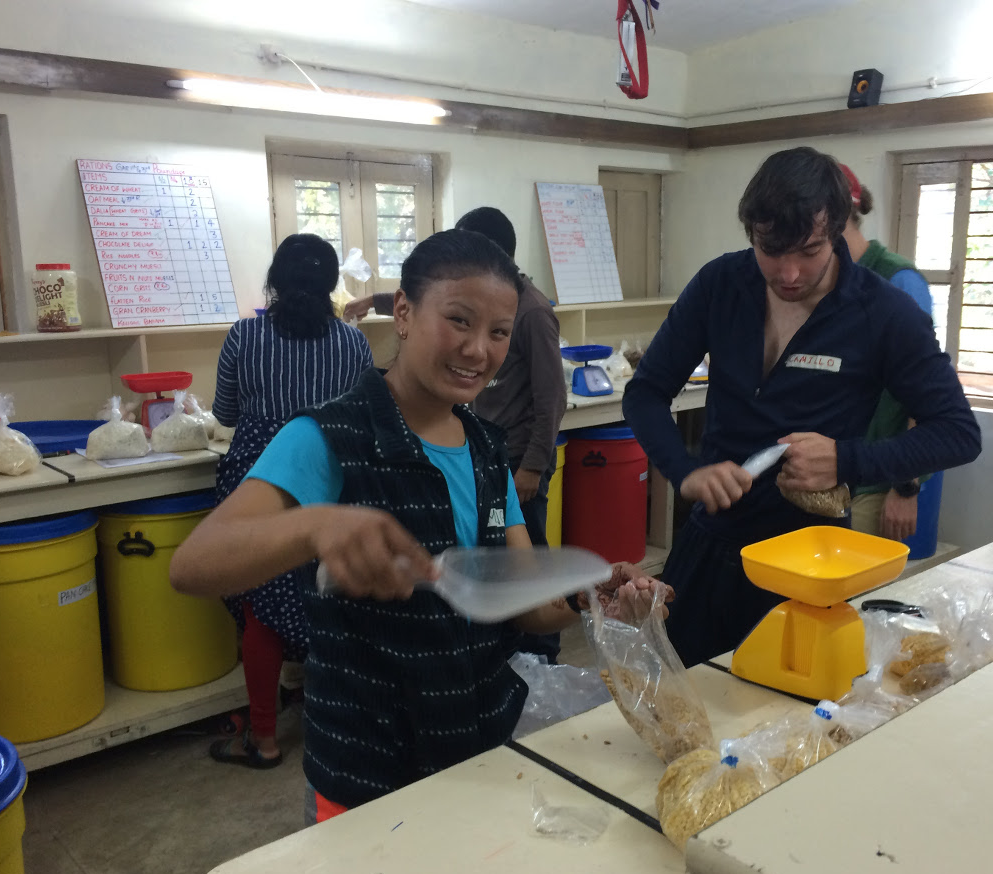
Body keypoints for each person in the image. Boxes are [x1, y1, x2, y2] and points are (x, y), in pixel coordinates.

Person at [170, 230, 664, 823]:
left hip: (480, 749)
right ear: (403, 313)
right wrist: (315, 526)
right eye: (459, 320)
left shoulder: (485, 449)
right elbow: (194, 565)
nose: (479, 349)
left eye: (499, 332)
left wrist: (591, 597)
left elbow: (522, 601)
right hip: (368, 773)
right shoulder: (328, 437)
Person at [622, 146, 981, 667]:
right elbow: (646, 392)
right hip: (709, 547)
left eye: (809, 252)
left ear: (838, 228)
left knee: (792, 722)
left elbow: (958, 433)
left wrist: (847, 460)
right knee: (684, 707)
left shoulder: (884, 313)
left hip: (809, 561)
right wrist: (685, 472)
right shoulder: (721, 284)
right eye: (771, 250)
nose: (789, 273)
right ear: (751, 232)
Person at [209, 233, 373, 769]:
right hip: (328, 475)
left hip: (261, 479)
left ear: (273, 282)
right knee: (329, 596)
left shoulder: (244, 336)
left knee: (262, 605)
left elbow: (226, 414)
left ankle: (263, 737)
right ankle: (331, 712)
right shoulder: (354, 345)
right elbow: (363, 415)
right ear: (332, 286)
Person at [456, 206, 568, 662]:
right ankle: (513, 649)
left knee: (531, 560)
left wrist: (532, 468)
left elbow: (552, 399)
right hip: (491, 458)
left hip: (522, 462)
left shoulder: (533, 311)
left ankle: (544, 653)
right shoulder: (487, 303)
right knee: (501, 556)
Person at [838, 164, 936, 543]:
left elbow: (923, 393)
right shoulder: (827, 281)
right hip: (835, 475)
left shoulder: (899, 281)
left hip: (879, 483)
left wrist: (905, 487)